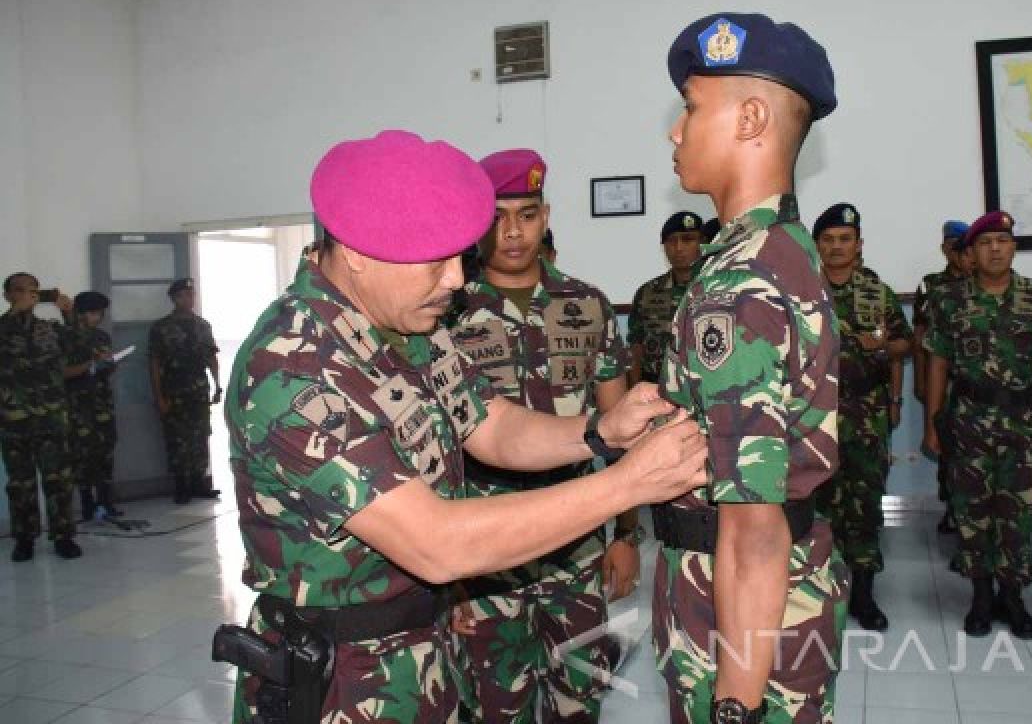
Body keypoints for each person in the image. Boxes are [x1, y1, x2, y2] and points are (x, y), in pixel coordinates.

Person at [225, 129, 707, 724]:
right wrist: (626, 485)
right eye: (436, 258)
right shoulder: (295, 369)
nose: (456, 279)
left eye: (459, 255)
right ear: (356, 250)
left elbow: (492, 426)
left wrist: (600, 429)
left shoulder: (408, 331)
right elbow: (437, 542)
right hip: (343, 683)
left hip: (428, 654)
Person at [654, 12, 847, 724]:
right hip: (770, 593)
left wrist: (736, 702)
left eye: (692, 107)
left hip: (734, 603)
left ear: (751, 117)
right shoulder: (781, 248)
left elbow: (752, 525)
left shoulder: (738, 284)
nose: (675, 131)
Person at [447, 148, 638, 723]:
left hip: (576, 547)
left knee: (579, 700)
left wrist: (626, 535)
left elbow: (620, 427)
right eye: (498, 215)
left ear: (546, 215)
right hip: (483, 555)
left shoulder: (588, 305)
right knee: (492, 706)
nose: (512, 231)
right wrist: (447, 580)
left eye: (527, 214)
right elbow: (429, 452)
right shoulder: (444, 312)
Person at [923, 211, 1032, 639]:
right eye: (986, 243)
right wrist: (933, 423)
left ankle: (1014, 596)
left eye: (1003, 242)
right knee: (972, 512)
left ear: (1013, 248)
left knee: (1018, 513)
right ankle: (980, 597)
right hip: (970, 418)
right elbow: (937, 361)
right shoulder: (950, 300)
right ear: (970, 252)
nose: (995, 249)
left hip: (1024, 423)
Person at [812, 203, 912, 632]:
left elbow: (905, 343)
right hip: (814, 416)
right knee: (816, 504)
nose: (837, 247)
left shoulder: (878, 292)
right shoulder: (801, 292)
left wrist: (884, 349)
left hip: (865, 414)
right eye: (829, 239)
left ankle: (865, 594)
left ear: (859, 245)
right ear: (817, 246)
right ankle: (817, 589)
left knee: (865, 504)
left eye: (845, 239)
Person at [0, 273, 83, 560]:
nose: (27, 295)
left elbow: (77, 348)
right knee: (20, 483)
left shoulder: (48, 329)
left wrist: (68, 313)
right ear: (8, 295)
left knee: (58, 479)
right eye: (19, 290)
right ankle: (24, 539)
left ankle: (63, 537)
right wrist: (15, 314)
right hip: (14, 419)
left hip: (51, 417)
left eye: (32, 290)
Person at [913, 220, 971, 534]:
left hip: (971, 383)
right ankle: (952, 507)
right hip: (943, 382)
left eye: (961, 244)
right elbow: (921, 338)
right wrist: (921, 383)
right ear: (944, 248)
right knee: (947, 448)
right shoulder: (931, 284)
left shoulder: (983, 284)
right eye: (950, 244)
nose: (955, 250)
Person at [149, 278, 222, 504]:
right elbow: (154, 363)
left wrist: (218, 384)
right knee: (177, 440)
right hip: (174, 392)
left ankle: (200, 484)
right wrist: (159, 396)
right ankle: (181, 487)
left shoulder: (203, 325)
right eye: (183, 296)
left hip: (199, 391)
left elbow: (211, 357)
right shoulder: (161, 327)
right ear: (173, 299)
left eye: (191, 295)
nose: (188, 300)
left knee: (201, 436)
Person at [628, 211, 704, 385]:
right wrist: (634, 388)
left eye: (687, 239)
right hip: (656, 389)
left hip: (703, 388)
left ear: (703, 243)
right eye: (671, 241)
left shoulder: (716, 287)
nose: (679, 248)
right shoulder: (647, 293)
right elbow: (636, 347)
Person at [66, 291, 122, 520]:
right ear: (81, 313)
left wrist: (110, 364)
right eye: (94, 313)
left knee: (105, 453)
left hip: (102, 404)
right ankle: (87, 504)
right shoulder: (65, 338)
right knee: (82, 456)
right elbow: (62, 372)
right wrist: (91, 364)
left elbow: (105, 369)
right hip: (79, 407)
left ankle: (106, 502)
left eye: (100, 313)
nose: (98, 317)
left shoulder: (101, 337)